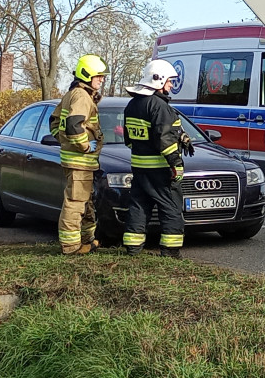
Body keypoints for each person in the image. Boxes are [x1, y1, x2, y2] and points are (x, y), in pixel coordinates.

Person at [122, 59, 190, 258]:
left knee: (139, 205)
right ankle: (170, 252)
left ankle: (133, 250)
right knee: (171, 206)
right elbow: (164, 139)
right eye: (169, 81)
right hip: (161, 169)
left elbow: (128, 140)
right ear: (159, 81)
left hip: (139, 166)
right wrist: (176, 163)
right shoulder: (159, 107)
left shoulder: (132, 105)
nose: (171, 86)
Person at [49, 54, 108, 255]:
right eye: (98, 76)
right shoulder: (82, 96)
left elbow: (55, 123)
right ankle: (71, 247)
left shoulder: (72, 94)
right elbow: (74, 125)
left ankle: (87, 240)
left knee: (85, 201)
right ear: (87, 75)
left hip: (76, 161)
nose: (101, 79)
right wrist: (84, 146)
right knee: (75, 202)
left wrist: (64, 141)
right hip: (80, 161)